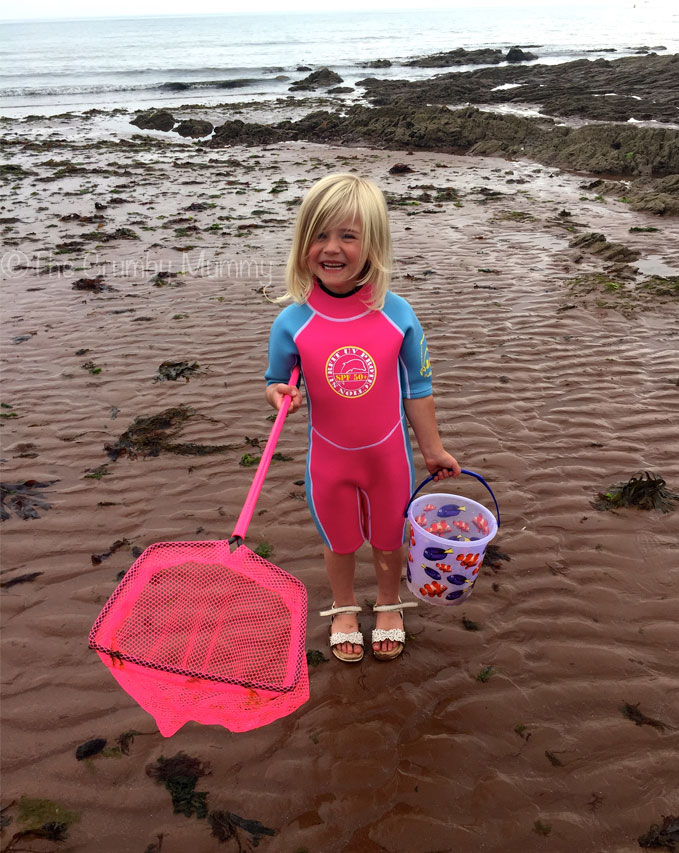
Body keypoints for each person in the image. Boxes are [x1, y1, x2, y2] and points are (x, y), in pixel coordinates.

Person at [265, 173, 460, 663]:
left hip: (388, 457)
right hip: (329, 460)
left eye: (347, 236)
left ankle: (390, 603)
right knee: (340, 540)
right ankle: (345, 606)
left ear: (373, 244)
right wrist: (280, 393)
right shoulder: (293, 320)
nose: (331, 248)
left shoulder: (397, 314)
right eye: (320, 235)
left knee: (389, 539)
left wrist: (432, 450)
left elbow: (418, 389)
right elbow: (276, 378)